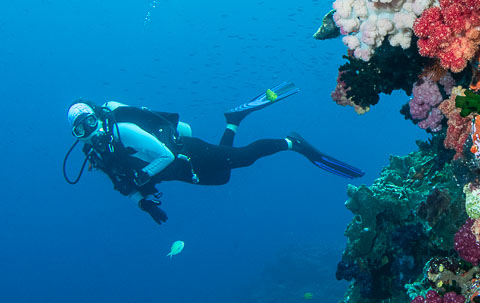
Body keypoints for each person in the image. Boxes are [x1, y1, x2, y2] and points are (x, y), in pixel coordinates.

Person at [64, 82, 364, 224]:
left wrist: (143, 175)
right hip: (180, 173)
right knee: (222, 179)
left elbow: (164, 156)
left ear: (97, 118)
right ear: (77, 136)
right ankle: (232, 121)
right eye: (80, 130)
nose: (89, 131)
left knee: (244, 158)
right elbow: (123, 184)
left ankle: (292, 142)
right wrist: (143, 204)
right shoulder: (97, 155)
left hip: (185, 155)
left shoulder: (124, 131)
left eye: (90, 122)